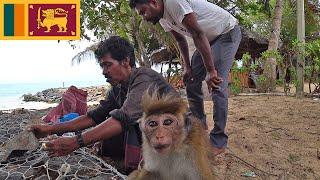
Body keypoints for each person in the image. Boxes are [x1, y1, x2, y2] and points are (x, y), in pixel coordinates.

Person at [28, 36, 177, 174]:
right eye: (102, 66)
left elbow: (122, 118)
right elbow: (93, 117)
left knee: (121, 122)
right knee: (110, 121)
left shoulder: (144, 79)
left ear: (125, 61)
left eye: (108, 65)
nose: (104, 72)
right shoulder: (118, 89)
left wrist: (75, 142)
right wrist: (50, 128)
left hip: (179, 140)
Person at [129, 0, 242, 156]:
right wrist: (187, 68)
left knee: (216, 84)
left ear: (154, 2)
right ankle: (199, 129)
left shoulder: (174, 3)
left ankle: (218, 141)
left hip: (226, 33)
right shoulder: (162, 18)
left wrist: (211, 71)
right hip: (208, 40)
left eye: (143, 12)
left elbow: (197, 33)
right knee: (192, 80)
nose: (143, 17)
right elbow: (181, 39)